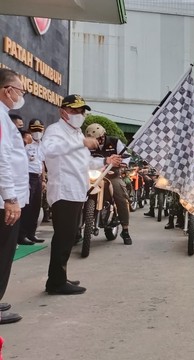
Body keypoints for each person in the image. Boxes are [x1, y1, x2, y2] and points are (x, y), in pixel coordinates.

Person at [41, 94, 122, 295]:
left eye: (82, 111)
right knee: (63, 237)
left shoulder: (77, 134)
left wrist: (106, 161)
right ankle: (55, 283)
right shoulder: (55, 131)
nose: (80, 114)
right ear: (63, 112)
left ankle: (59, 276)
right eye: (75, 110)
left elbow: (85, 162)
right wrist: (82, 144)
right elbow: (48, 151)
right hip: (63, 191)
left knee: (69, 237)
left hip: (78, 190)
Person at [0, 68, 29, 325]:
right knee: (3, 251)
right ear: (7, 91)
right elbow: (2, 158)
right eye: (19, 90)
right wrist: (10, 198)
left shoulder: (3, 116)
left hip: (6, 198)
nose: (21, 95)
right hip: (3, 201)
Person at [85, 123, 133, 245]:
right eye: (95, 139)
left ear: (103, 135)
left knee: (120, 194)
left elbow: (126, 155)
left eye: (99, 138)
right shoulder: (86, 146)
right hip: (92, 176)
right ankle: (75, 229)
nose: (98, 141)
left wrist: (124, 163)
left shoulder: (115, 142)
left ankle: (125, 230)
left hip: (111, 175)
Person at [18, 119, 46, 245]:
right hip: (28, 177)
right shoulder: (25, 144)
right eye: (34, 130)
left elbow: (42, 163)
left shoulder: (42, 144)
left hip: (38, 177)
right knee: (27, 208)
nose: (37, 132)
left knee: (36, 206)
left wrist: (44, 179)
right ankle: (21, 235)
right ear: (29, 130)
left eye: (39, 130)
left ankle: (31, 233)